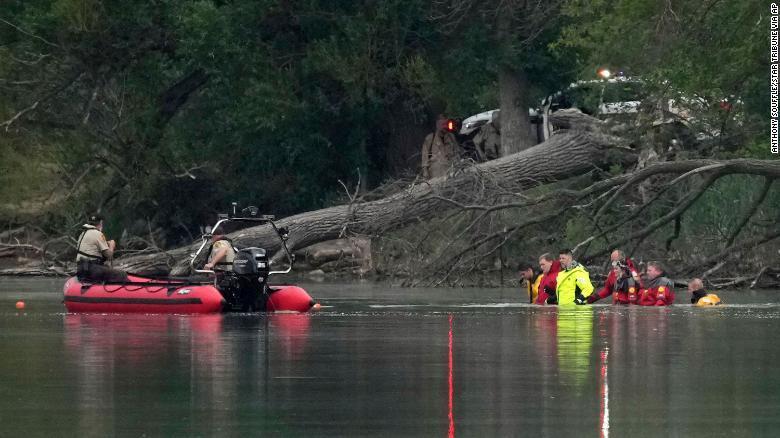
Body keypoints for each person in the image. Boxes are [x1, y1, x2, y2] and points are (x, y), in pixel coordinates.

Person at [75, 214, 128, 283]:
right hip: (91, 269)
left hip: (81, 269)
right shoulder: (98, 233)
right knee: (122, 274)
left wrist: (105, 243)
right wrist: (112, 245)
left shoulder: (83, 233)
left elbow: (92, 250)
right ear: (100, 223)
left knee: (106, 267)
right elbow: (109, 255)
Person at [421, 114, 461, 179]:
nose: (445, 126)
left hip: (452, 171)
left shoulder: (451, 136)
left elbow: (457, 152)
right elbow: (424, 157)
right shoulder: (430, 138)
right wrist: (425, 172)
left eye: (446, 123)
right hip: (436, 174)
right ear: (437, 124)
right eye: (443, 123)